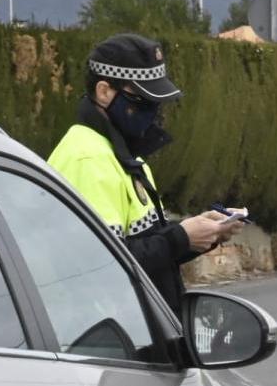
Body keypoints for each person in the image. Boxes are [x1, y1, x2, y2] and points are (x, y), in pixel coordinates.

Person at [48, 34, 240, 314]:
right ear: (104, 92)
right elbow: (103, 264)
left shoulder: (123, 155)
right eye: (143, 99)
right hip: (113, 339)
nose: (154, 111)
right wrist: (180, 238)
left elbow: (146, 245)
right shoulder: (87, 159)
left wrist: (203, 232)